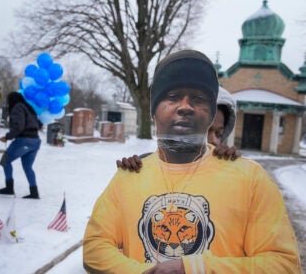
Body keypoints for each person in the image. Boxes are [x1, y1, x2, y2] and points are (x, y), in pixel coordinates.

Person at [83, 50, 301, 273]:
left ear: (211, 112)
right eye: (173, 96)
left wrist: (196, 268)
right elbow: (94, 248)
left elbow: (283, 264)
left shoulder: (250, 178)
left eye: (198, 98)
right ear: (153, 110)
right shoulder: (129, 176)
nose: (185, 106)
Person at [116, 87, 240, 173]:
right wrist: (130, 174)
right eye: (206, 131)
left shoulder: (225, 168)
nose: (214, 140)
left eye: (219, 133)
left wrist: (233, 166)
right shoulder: (145, 165)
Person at [0, 91, 42, 199]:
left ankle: (9, 188)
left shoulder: (17, 108)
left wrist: (7, 136)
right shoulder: (29, 108)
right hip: (35, 141)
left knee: (5, 160)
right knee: (28, 167)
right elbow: (39, 124)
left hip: (24, 140)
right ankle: (34, 192)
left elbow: (19, 127)